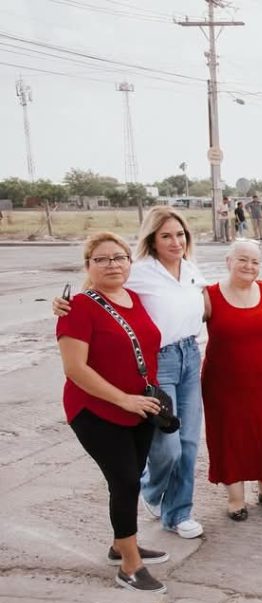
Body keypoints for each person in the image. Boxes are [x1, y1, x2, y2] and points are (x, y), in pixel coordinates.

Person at [53, 206, 208, 539]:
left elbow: (206, 306)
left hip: (191, 356)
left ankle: (178, 513)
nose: (175, 241)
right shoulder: (138, 270)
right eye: (166, 235)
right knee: (168, 447)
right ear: (151, 239)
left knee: (190, 442)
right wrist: (64, 304)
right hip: (160, 361)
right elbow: (101, 286)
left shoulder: (192, 269)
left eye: (180, 234)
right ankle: (152, 491)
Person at [57, 232, 168, 593]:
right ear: (88, 266)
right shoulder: (78, 307)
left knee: (131, 476)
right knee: (124, 480)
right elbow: (75, 369)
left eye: (119, 257)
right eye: (101, 259)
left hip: (140, 407)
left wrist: (139, 400)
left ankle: (122, 542)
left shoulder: (133, 297)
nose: (112, 265)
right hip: (95, 409)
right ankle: (129, 567)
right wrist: (123, 399)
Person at [202, 239, 262, 520]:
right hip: (225, 384)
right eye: (242, 259)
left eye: (255, 261)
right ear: (228, 261)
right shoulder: (209, 295)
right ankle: (235, 498)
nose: (249, 266)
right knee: (231, 435)